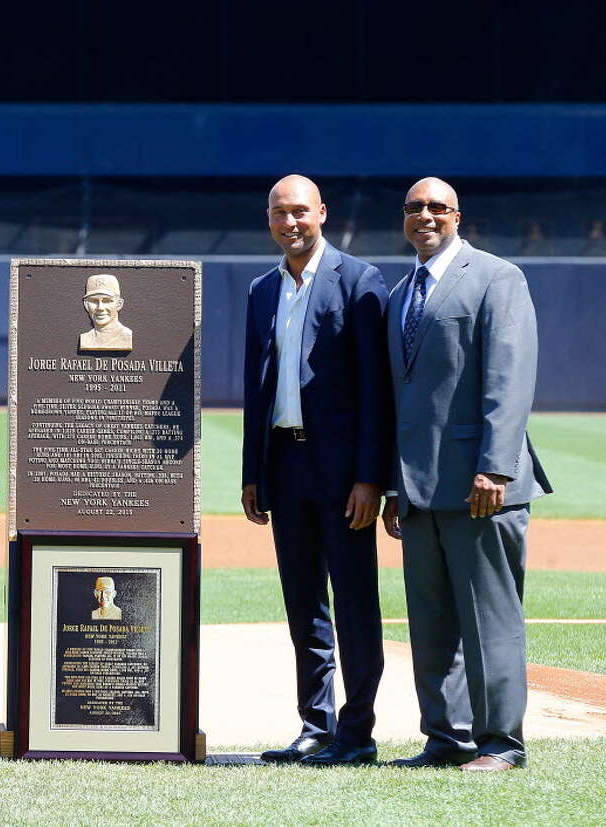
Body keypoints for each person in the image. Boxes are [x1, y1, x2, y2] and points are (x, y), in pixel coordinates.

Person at [383, 177, 552, 771]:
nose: (424, 216)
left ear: (458, 215)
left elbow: (510, 378)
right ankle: (445, 738)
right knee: (431, 624)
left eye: (436, 207)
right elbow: (401, 400)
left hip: (480, 484)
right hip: (419, 489)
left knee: (490, 620)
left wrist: (495, 468)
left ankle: (501, 743)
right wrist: (391, 486)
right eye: (414, 208)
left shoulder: (496, 277)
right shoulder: (403, 290)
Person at [242, 174, 391, 766]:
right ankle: (314, 723)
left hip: (342, 472)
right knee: (303, 601)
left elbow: (376, 391)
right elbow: (257, 389)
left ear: (322, 213)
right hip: (284, 462)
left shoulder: (360, 281)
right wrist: (253, 471)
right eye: (279, 214)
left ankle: (357, 731)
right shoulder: (261, 289)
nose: (290, 223)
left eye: (299, 211)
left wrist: (370, 477)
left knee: (354, 602)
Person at [78, 274, 133, 350]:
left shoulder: (126, 336)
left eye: (107, 301)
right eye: (94, 301)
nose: (100, 308)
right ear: (86, 305)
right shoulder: (85, 339)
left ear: (119, 304)